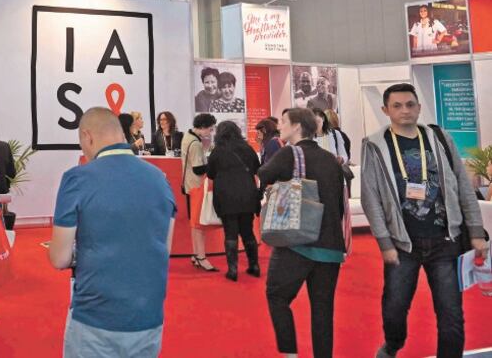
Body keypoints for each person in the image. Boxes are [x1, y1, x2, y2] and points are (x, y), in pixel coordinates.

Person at [361, 83, 487, 358]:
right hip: (402, 244)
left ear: (418, 107)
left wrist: (476, 231)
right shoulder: (375, 145)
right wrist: (385, 242)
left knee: (451, 314)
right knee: (394, 308)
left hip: (445, 241)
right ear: (385, 110)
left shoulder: (438, 138)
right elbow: (370, 197)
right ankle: (392, 345)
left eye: (410, 104)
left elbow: (462, 185)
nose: (405, 110)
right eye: (397, 106)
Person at [49, 107, 176, 357]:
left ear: (87, 136)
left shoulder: (77, 179)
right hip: (149, 318)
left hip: (95, 316)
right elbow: (165, 248)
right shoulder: (160, 179)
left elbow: (59, 258)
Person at [260, 107, 346, 358]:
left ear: (297, 126)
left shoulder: (289, 153)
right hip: (331, 245)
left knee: (276, 295)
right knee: (323, 311)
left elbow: (264, 174)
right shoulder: (330, 159)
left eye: (284, 122)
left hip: (297, 240)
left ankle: (290, 353)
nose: (280, 127)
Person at [206, 120, 262, 281]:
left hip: (226, 196)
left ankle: (232, 269)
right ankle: (254, 266)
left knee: (230, 232)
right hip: (247, 194)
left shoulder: (217, 151)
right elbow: (257, 168)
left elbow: (210, 174)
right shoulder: (247, 148)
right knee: (247, 231)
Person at [181, 113, 218, 272]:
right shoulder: (195, 143)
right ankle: (201, 257)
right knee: (198, 225)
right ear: (202, 127)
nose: (210, 132)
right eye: (210, 129)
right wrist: (213, 164)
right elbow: (198, 169)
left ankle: (197, 254)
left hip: (189, 186)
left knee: (195, 224)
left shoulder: (187, 137)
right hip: (197, 187)